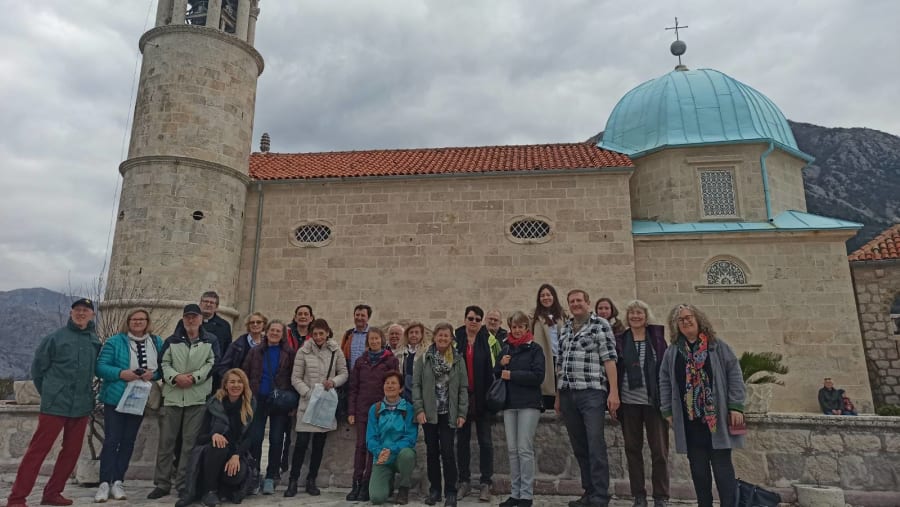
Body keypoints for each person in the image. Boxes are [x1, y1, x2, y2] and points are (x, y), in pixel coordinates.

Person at [6, 298, 101, 507]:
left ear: (92, 315)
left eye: (85, 310)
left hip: (81, 405)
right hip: (55, 405)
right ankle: (17, 498)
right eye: (77, 310)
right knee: (37, 451)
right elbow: (38, 371)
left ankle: (53, 493)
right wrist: (50, 393)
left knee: (71, 453)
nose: (81, 313)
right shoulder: (55, 338)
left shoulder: (94, 341)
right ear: (71, 313)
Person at [659, 304, 745, 507]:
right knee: (699, 472)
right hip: (690, 422)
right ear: (675, 325)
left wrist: (736, 406)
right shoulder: (673, 352)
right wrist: (667, 410)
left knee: (723, 469)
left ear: (698, 320)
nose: (685, 322)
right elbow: (664, 380)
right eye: (680, 320)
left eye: (689, 317)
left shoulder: (717, 346)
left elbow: (734, 374)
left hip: (716, 421)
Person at [555, 289, 619, 507]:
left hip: (591, 392)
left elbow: (609, 359)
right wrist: (558, 396)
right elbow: (560, 364)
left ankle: (600, 495)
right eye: (571, 301)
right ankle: (589, 492)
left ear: (587, 302)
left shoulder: (600, 325)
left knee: (595, 443)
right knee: (580, 446)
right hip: (567, 393)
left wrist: (613, 391)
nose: (575, 304)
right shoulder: (565, 328)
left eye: (579, 300)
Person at [94, 308, 165, 503]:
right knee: (112, 440)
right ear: (128, 321)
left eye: (142, 319)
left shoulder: (156, 342)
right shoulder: (115, 342)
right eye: (134, 319)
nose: (138, 322)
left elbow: (162, 368)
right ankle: (104, 482)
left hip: (140, 398)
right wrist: (121, 373)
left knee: (128, 441)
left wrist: (153, 374)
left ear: (147, 322)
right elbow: (100, 367)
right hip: (116, 398)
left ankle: (118, 481)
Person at [151, 304, 218, 502]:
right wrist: (175, 377)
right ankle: (162, 483)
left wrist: (194, 378)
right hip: (173, 396)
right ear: (183, 319)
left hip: (197, 397)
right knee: (166, 443)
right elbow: (163, 363)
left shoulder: (210, 340)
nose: (191, 320)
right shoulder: (171, 341)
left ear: (200, 319)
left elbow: (213, 363)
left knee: (189, 444)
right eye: (187, 317)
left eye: (194, 317)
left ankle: (183, 483)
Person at [615, 300, 669, 507]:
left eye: (639, 313)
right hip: (629, 403)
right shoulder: (621, 340)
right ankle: (638, 495)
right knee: (632, 449)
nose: (635, 316)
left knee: (660, 451)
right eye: (632, 313)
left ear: (646, 316)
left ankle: (661, 496)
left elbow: (665, 368)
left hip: (654, 402)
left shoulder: (656, 339)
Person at [286, 318, 349, 497]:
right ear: (311, 335)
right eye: (315, 334)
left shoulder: (335, 351)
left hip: (325, 404)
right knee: (301, 443)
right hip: (307, 402)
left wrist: (333, 382)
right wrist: (307, 393)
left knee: (319, 445)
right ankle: (293, 480)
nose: (319, 337)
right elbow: (295, 377)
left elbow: (344, 373)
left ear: (327, 333)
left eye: (321, 333)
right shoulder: (303, 351)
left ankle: (311, 480)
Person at [177, 368, 257, 507]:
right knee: (219, 446)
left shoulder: (250, 404)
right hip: (212, 453)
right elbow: (200, 437)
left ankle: (221, 489)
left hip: (235, 453)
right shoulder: (214, 404)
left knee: (235, 475)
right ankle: (209, 491)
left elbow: (249, 438)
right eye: (232, 382)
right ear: (225, 384)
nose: (236, 385)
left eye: (240, 382)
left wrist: (236, 456)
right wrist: (213, 435)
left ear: (244, 385)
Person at [413, 323, 468, 507]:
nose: (443, 338)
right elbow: (416, 386)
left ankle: (450, 491)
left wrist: (462, 413)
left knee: (447, 451)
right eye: (440, 335)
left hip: (448, 413)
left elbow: (463, 388)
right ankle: (435, 490)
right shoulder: (424, 359)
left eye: (446, 336)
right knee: (432, 452)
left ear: (451, 338)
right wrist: (419, 409)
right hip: (429, 413)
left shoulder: (458, 360)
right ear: (434, 337)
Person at [495, 311, 545, 507]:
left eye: (520, 327)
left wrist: (512, 375)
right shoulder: (506, 348)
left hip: (529, 404)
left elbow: (538, 376)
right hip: (509, 404)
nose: (516, 330)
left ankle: (526, 495)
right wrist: (500, 364)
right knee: (512, 450)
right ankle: (515, 493)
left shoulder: (535, 349)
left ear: (526, 328)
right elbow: (496, 374)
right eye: (514, 327)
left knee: (524, 449)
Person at [241, 320, 296, 495]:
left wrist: (292, 402)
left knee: (276, 439)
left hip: (279, 402)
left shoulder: (289, 353)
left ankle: (271, 476)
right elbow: (245, 372)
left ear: (282, 334)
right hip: (258, 399)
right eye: (272, 330)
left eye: (278, 331)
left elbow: (293, 376)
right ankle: (255, 473)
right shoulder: (255, 351)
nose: (274, 333)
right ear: (267, 331)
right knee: (255, 438)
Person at [347, 327, 400, 501]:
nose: (374, 341)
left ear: (382, 340)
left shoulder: (390, 360)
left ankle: (367, 484)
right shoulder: (360, 362)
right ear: (367, 341)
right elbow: (353, 387)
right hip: (362, 409)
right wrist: (351, 411)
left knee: (374, 447)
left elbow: (394, 384)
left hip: (381, 410)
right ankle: (356, 483)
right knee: (361, 446)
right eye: (371, 339)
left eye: (377, 338)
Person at [454, 305, 500, 502]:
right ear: (465, 319)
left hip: (482, 398)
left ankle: (485, 482)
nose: (473, 322)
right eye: (471, 318)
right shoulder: (456, 340)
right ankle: (464, 481)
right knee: (462, 442)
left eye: (477, 319)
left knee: (486, 442)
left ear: (481, 322)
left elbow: (493, 368)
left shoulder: (487, 340)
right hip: (462, 399)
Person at [366, 371, 418, 505]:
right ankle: (388, 483)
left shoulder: (408, 409)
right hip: (382, 457)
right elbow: (370, 438)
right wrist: (379, 452)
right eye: (387, 383)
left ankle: (404, 487)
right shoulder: (375, 409)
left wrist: (391, 449)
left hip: (400, 455)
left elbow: (410, 438)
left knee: (408, 455)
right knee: (377, 498)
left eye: (393, 383)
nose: (390, 386)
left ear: (401, 389)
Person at [532, 283, 565, 410]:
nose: (546, 298)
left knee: (560, 389)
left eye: (548, 295)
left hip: (560, 357)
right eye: (542, 295)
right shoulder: (534, 316)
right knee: (546, 389)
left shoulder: (562, 315)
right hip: (544, 357)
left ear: (554, 296)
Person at [214, 312, 267, 383]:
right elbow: (223, 367)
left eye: (259, 322)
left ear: (264, 324)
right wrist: (233, 381)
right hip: (241, 385)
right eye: (252, 322)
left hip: (262, 385)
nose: (255, 324)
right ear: (248, 325)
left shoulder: (269, 344)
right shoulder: (236, 346)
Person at [398, 322, 427, 402]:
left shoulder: (427, 352)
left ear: (421, 335)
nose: (414, 335)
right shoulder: (399, 352)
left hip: (420, 390)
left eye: (417, 333)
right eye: (411, 332)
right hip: (403, 390)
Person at [200, 291, 233, 357]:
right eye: (206, 301)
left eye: (212, 302)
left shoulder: (224, 326)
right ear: (200, 303)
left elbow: (227, 350)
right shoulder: (189, 321)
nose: (208, 304)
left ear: (216, 307)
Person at [341, 304, 373, 371]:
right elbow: (341, 354)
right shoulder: (348, 334)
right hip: (350, 374)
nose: (359, 318)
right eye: (357, 315)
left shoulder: (373, 335)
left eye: (363, 315)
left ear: (368, 318)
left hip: (368, 374)